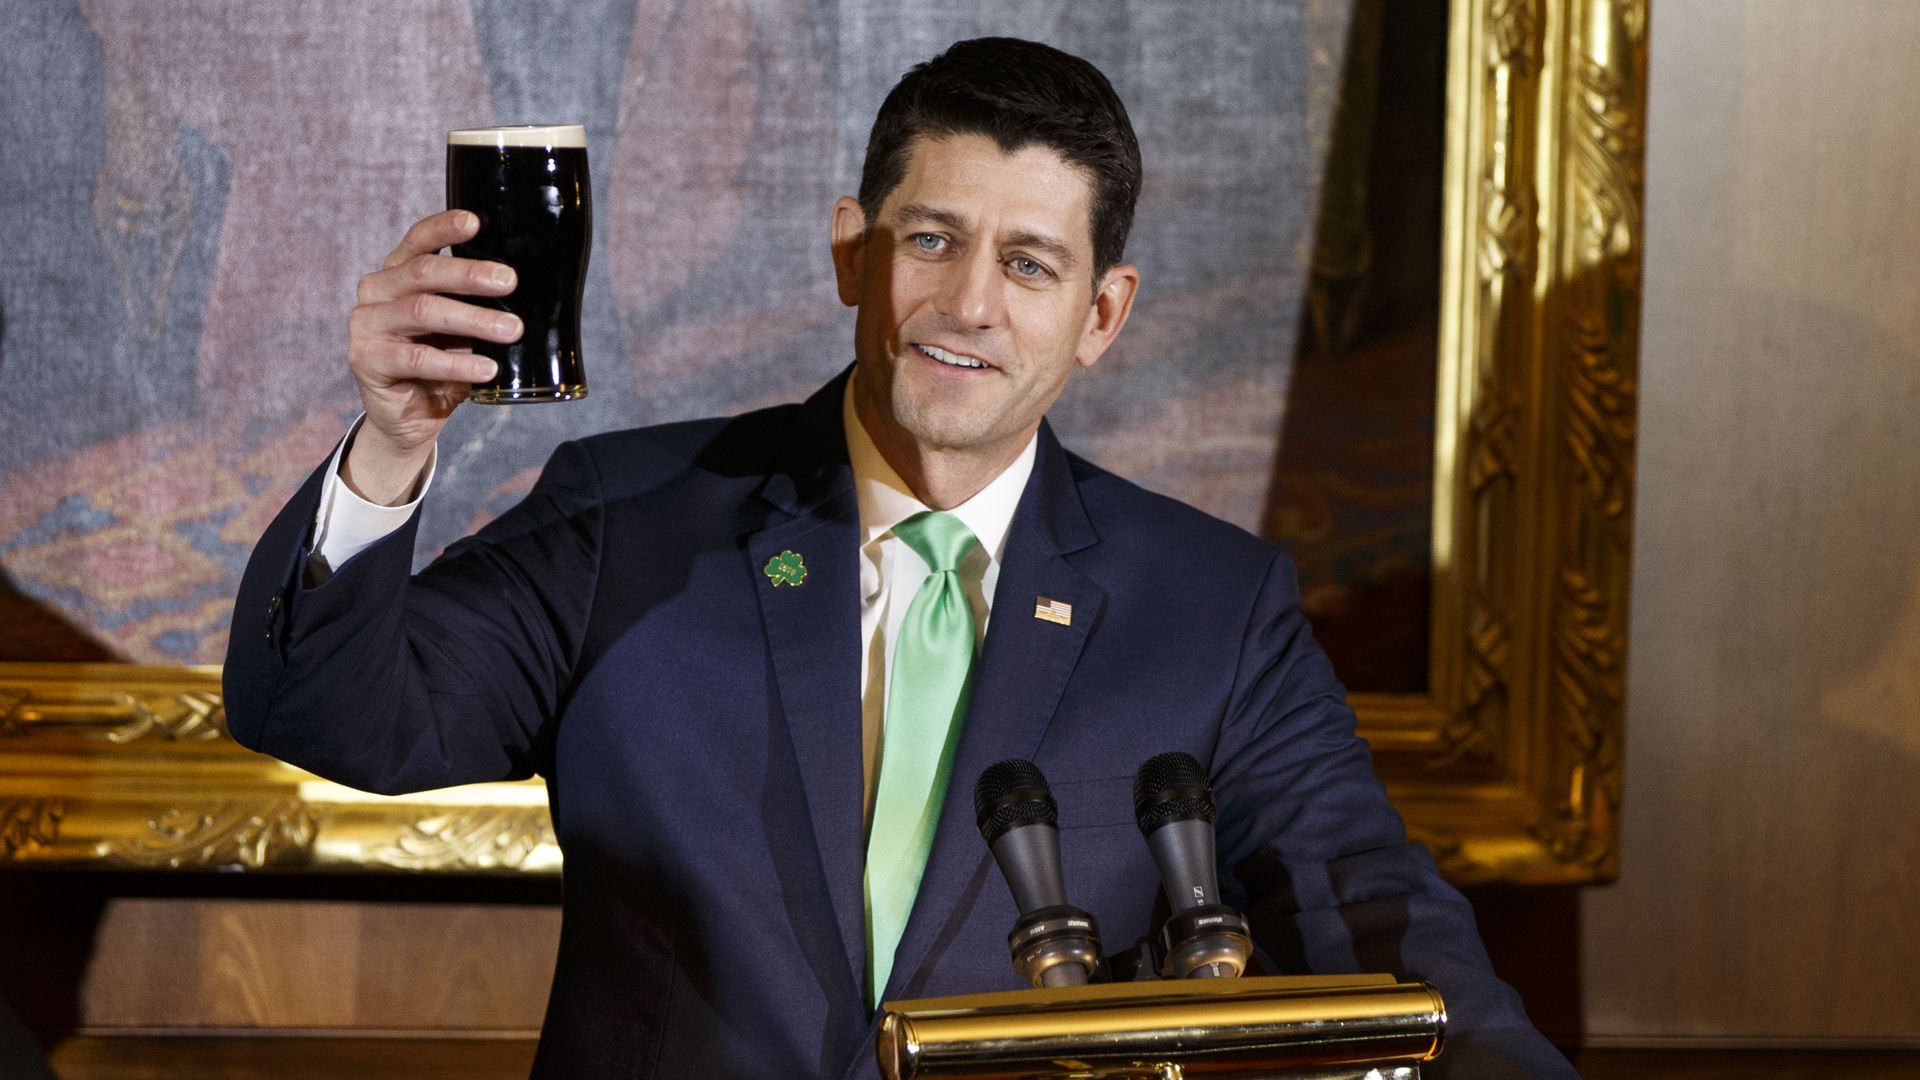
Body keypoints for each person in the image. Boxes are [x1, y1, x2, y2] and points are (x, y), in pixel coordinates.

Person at [224, 37, 1574, 1079]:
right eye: (931, 239)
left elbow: (1376, 915)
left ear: (1102, 315)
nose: (969, 304)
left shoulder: (1211, 609)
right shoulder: (631, 517)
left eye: (1030, 264)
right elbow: (331, 714)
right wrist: (393, 443)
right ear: (851, 256)